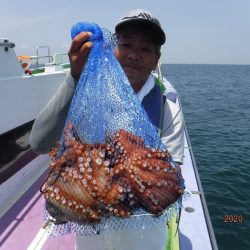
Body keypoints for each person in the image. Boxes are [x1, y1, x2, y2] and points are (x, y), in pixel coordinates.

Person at [29, 9, 184, 250]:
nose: (133, 55)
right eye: (127, 44)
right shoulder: (85, 97)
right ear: (113, 49)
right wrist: (75, 78)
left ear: (156, 59)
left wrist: (114, 180)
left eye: (145, 49)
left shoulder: (167, 107)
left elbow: (170, 181)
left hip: (145, 239)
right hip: (92, 239)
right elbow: (38, 142)